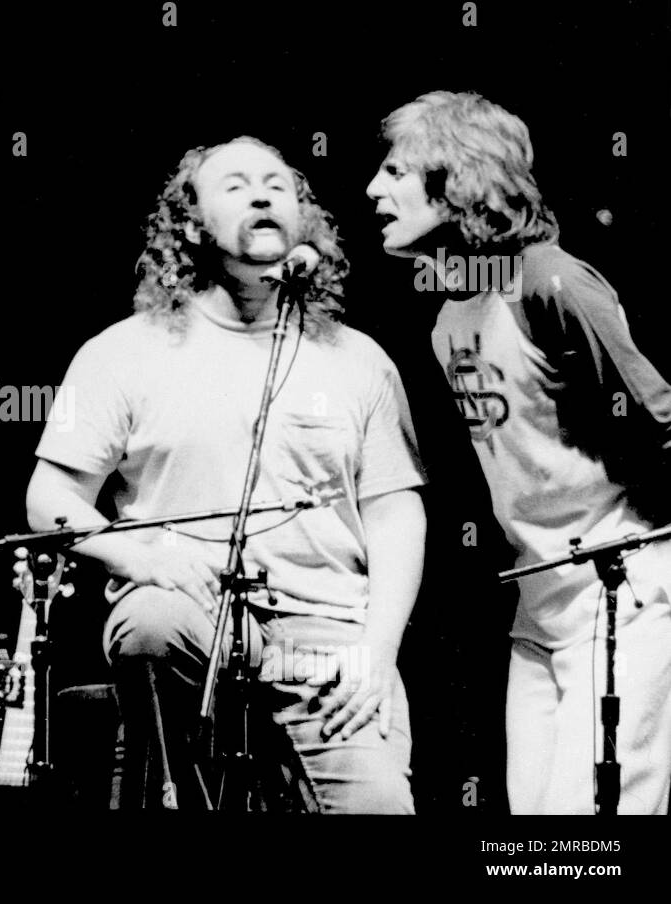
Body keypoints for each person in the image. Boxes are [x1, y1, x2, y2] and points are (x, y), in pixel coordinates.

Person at [27, 137, 427, 812]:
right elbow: (50, 499)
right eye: (236, 186)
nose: (264, 195)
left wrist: (377, 651)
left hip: (325, 634)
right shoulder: (122, 352)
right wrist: (139, 560)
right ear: (190, 224)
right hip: (191, 616)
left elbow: (395, 514)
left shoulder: (360, 361)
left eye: (279, 185)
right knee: (151, 621)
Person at [366, 91, 671, 814]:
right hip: (538, 610)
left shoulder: (549, 281)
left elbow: (662, 426)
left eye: (395, 169)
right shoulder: (449, 317)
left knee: (590, 831)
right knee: (533, 831)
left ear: (458, 176)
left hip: (623, 593)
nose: (374, 189)